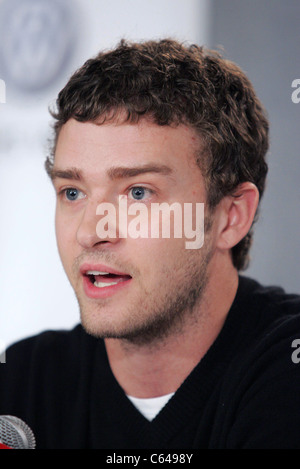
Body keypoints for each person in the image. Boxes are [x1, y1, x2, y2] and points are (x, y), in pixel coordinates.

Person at [1, 38, 300, 450]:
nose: (91, 231)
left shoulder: (288, 369)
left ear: (230, 217)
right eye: (73, 192)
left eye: (138, 193)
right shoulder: (22, 382)